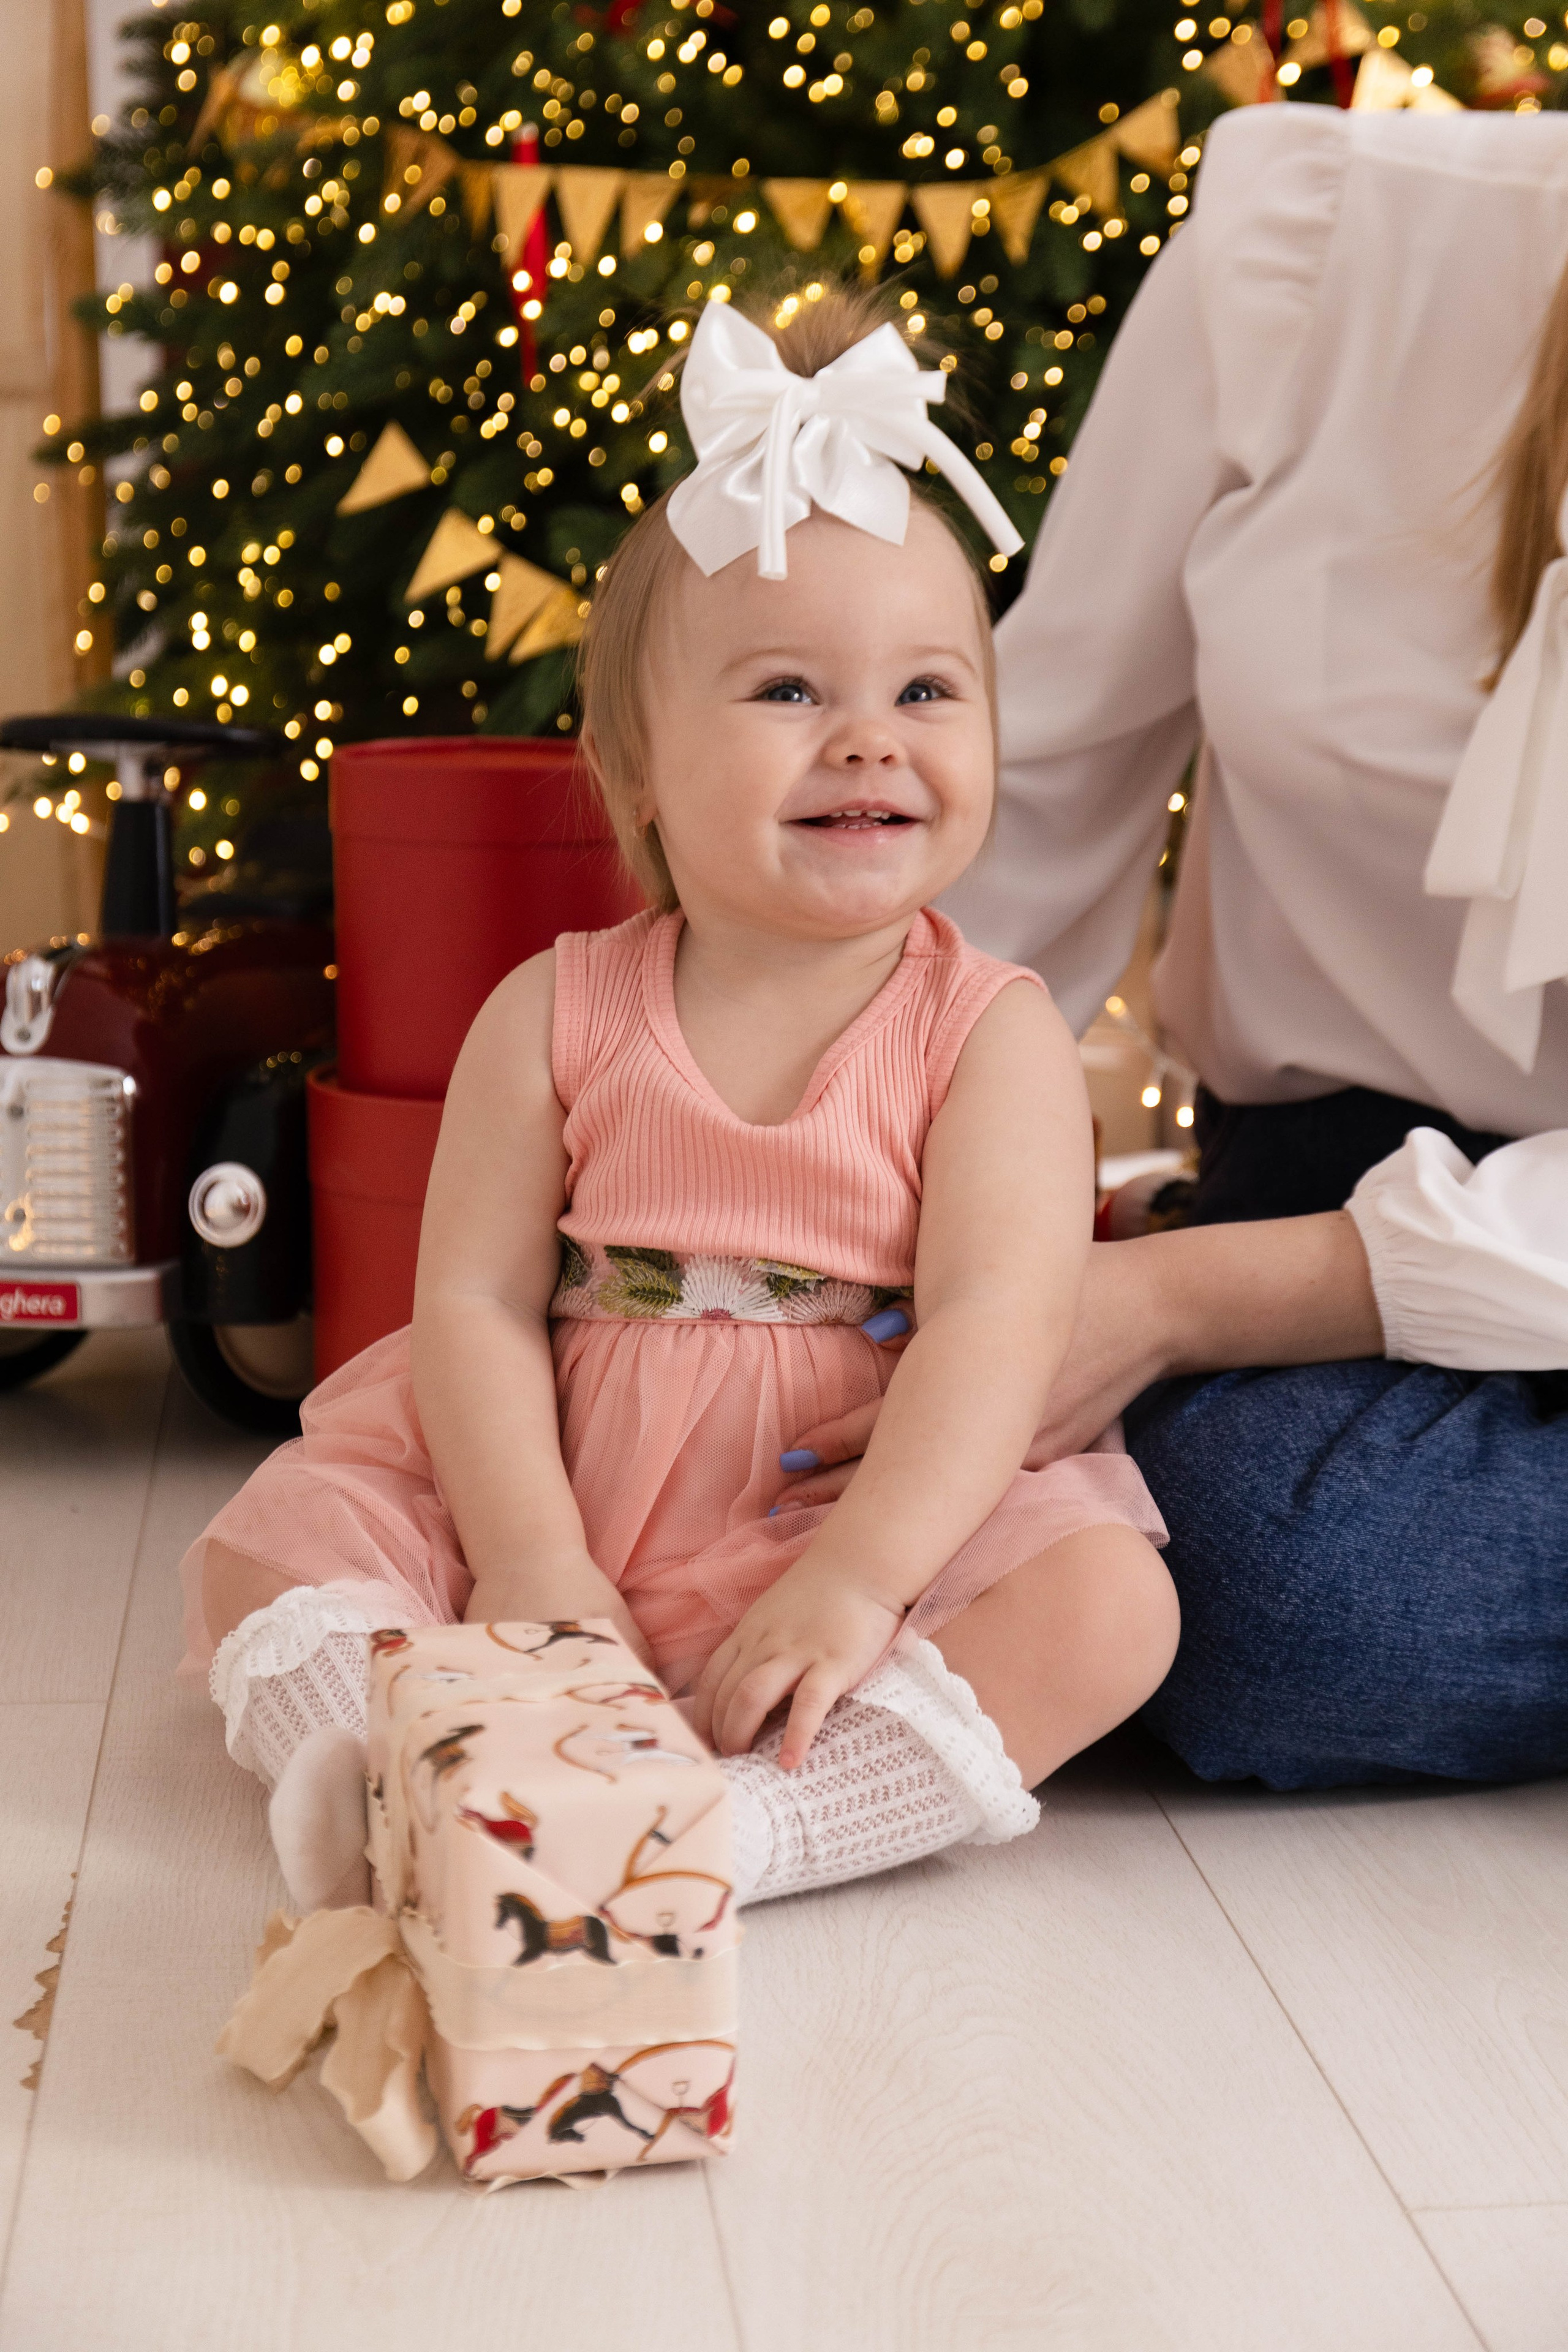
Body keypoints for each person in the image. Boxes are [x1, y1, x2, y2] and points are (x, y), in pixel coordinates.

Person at [182, 285, 1175, 1913]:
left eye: (930, 693)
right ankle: (389, 1776)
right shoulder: (555, 1010)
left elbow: (998, 1331)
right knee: (271, 1543)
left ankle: (748, 1835)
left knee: (1109, 1609)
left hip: (833, 1504)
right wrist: (530, 1562)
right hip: (556, 1476)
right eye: (791, 694)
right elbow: (478, 1310)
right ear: (636, 767)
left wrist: (862, 1581)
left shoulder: (987, 1035)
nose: (870, 739)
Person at [783, 103, 1568, 1792]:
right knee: (945, 1471)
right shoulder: (1326, 254)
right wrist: (799, 1173)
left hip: (1273, 1280)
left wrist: (1165, 1301)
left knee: (1293, 1603)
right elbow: (1041, 778)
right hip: (1324, 1178)